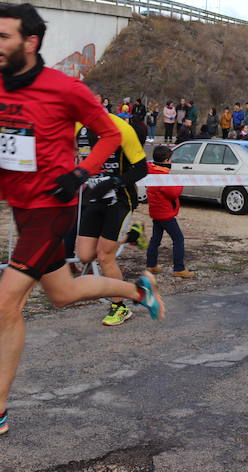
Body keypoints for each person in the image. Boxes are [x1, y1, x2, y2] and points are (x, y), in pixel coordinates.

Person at [0, 3, 163, 447]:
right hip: (21, 207)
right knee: (63, 294)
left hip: (52, 208)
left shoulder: (65, 89)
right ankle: (137, 291)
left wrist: (82, 172)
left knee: (4, 307)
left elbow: (108, 133)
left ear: (31, 42)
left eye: (4, 36)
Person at [74, 98, 149, 327]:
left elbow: (142, 168)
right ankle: (133, 235)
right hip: (93, 199)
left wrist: (115, 182)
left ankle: (119, 307)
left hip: (119, 199)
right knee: (85, 255)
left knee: (105, 256)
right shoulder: (78, 127)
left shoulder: (122, 128)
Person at [146, 146, 194, 277]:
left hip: (156, 211)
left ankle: (151, 265)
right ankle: (179, 268)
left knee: (155, 239)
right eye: (171, 159)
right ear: (166, 160)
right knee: (178, 239)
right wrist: (179, 182)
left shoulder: (152, 171)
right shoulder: (162, 175)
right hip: (165, 213)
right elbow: (173, 193)